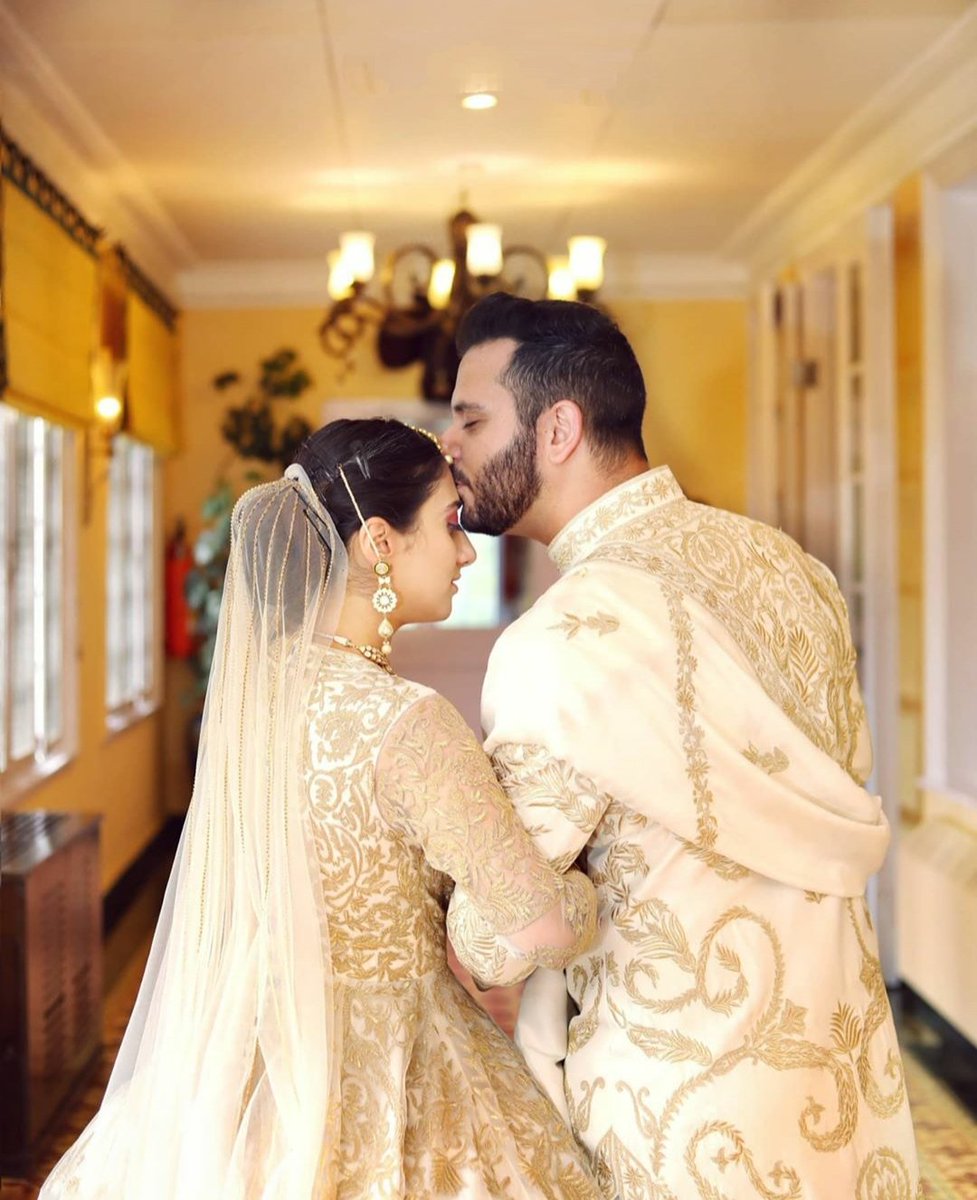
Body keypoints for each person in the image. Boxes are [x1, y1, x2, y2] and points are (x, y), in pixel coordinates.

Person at [40, 418, 600, 1200]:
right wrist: (586, 888)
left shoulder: (252, 699)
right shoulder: (407, 723)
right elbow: (537, 927)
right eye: (449, 525)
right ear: (378, 542)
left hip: (245, 1060)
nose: (468, 551)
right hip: (393, 1071)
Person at [443, 294, 921, 1200]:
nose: (450, 447)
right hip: (840, 1073)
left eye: (470, 418)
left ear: (557, 428)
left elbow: (500, 938)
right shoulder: (795, 570)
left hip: (674, 1110)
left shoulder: (563, 640)